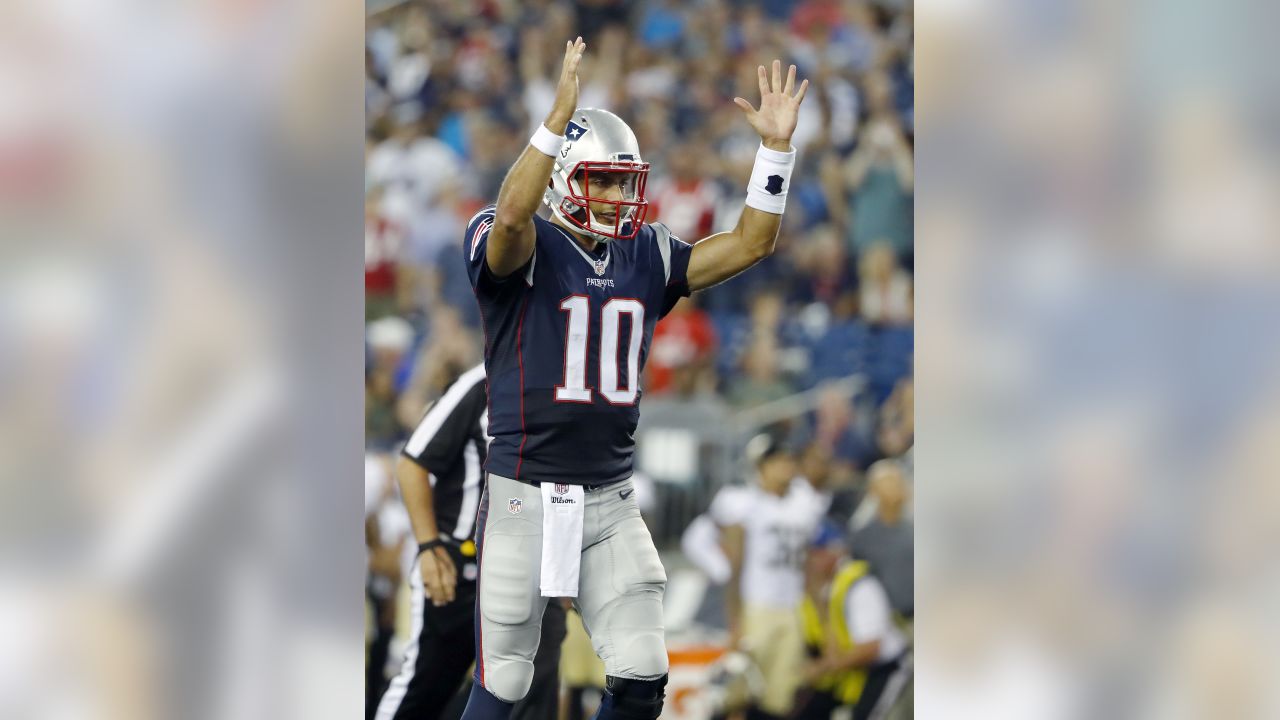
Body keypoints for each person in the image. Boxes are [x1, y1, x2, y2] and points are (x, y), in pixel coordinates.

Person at [460, 36, 810, 720]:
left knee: (646, 672)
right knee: (503, 681)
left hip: (610, 500)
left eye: (626, 181)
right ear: (562, 176)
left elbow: (750, 243)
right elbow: (508, 220)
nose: (621, 195)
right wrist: (552, 122)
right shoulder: (522, 241)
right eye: (605, 180)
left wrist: (774, 153)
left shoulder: (645, 252)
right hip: (522, 494)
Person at [374, 364, 565, 720]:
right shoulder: (482, 384)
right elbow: (412, 463)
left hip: (534, 574)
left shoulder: (574, 389)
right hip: (459, 569)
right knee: (423, 690)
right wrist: (429, 547)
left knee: (534, 700)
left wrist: (566, 567)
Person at [719, 434, 830, 720]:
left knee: (781, 698)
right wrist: (735, 621)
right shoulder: (745, 503)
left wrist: (821, 615)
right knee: (739, 694)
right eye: (778, 461)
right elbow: (736, 567)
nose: (786, 467)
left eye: (789, 461)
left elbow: (807, 566)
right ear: (761, 467)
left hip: (791, 606)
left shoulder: (803, 505)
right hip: (757, 605)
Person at [792, 527, 910, 720]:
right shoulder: (820, 588)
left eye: (817, 553)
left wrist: (823, 667)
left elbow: (870, 648)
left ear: (836, 552)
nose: (810, 561)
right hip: (853, 668)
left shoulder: (860, 586)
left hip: (883, 668)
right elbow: (829, 643)